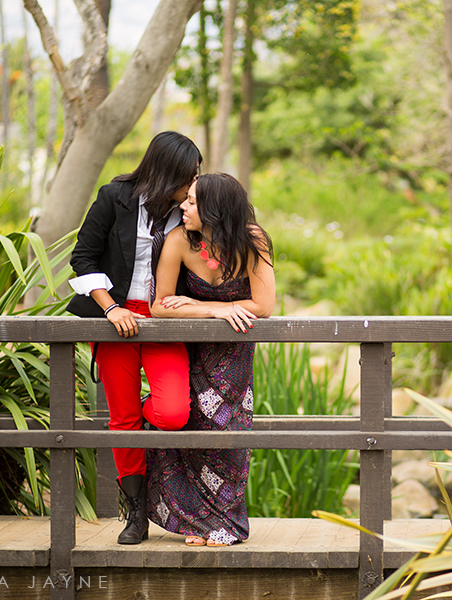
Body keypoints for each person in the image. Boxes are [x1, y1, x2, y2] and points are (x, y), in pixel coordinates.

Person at [65, 131, 202, 545]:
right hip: (115, 323)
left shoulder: (190, 211)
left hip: (165, 320)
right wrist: (112, 308)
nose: (194, 184)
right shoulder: (114, 197)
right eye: (189, 176)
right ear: (167, 173)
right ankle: (137, 513)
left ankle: (143, 412)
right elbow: (82, 257)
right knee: (121, 420)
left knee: (174, 412)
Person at [148, 172, 275, 547]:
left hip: (235, 357)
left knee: (230, 440)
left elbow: (264, 305)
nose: (183, 207)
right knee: (193, 437)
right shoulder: (179, 241)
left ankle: (228, 527)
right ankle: (198, 526)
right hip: (192, 354)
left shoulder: (252, 240)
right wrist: (214, 313)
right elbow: (160, 306)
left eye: (191, 201)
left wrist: (207, 305)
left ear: (215, 209)